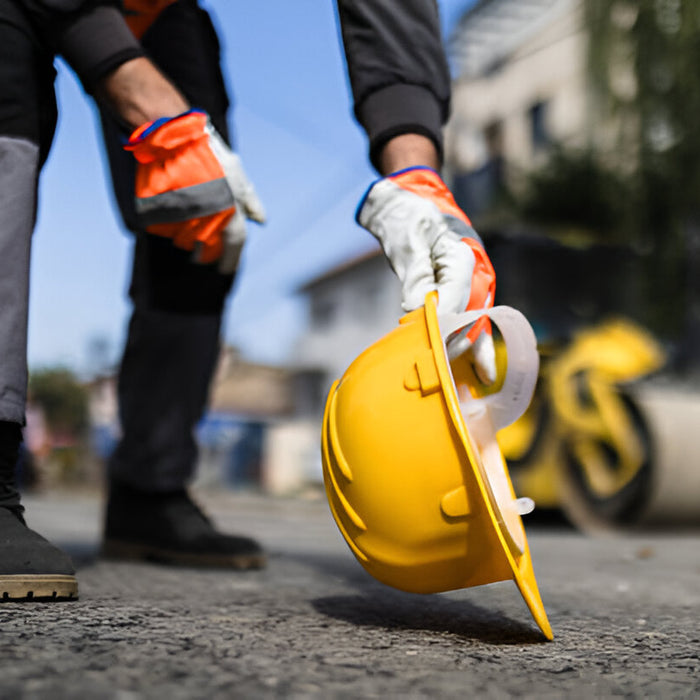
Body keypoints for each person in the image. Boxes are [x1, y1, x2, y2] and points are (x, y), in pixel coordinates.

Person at [0, 0, 497, 601]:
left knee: (205, 207)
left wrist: (415, 175)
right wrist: (133, 84)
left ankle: (149, 489)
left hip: (156, 10)